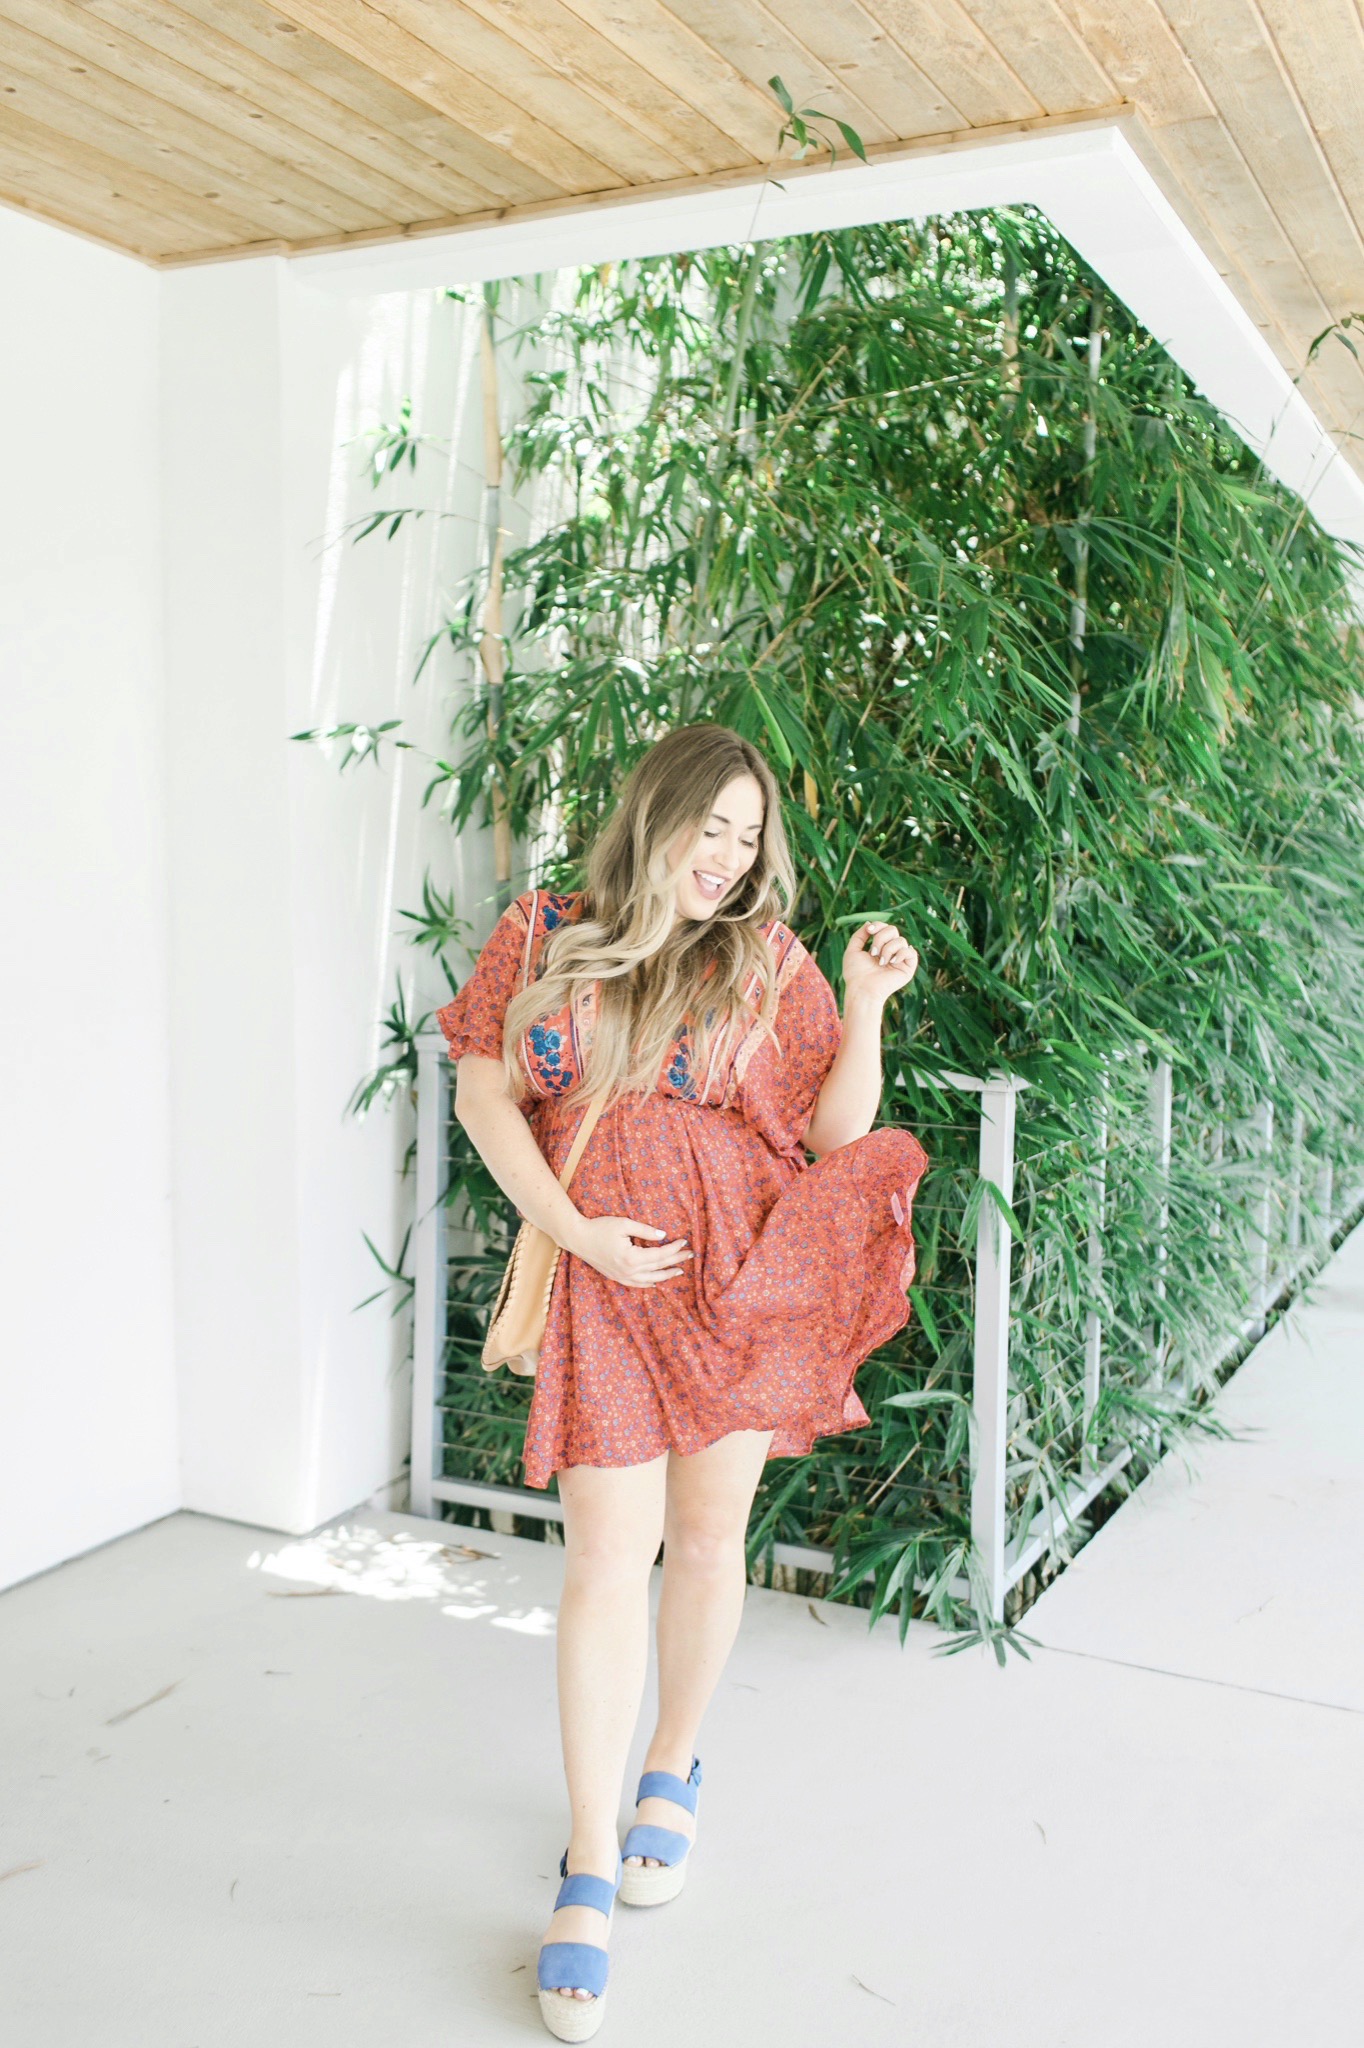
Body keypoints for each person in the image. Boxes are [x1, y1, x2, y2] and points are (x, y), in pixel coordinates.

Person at [437, 721, 927, 2041]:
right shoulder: (544, 936)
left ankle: (672, 1767)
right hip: (608, 1287)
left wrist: (867, 1003)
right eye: (707, 826)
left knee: (708, 1544)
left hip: (743, 1287)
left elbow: (836, 1133)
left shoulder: (768, 958)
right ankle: (588, 1861)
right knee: (605, 1561)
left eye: (748, 834)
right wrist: (580, 1228)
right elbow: (489, 1100)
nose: (726, 855)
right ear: (652, 815)